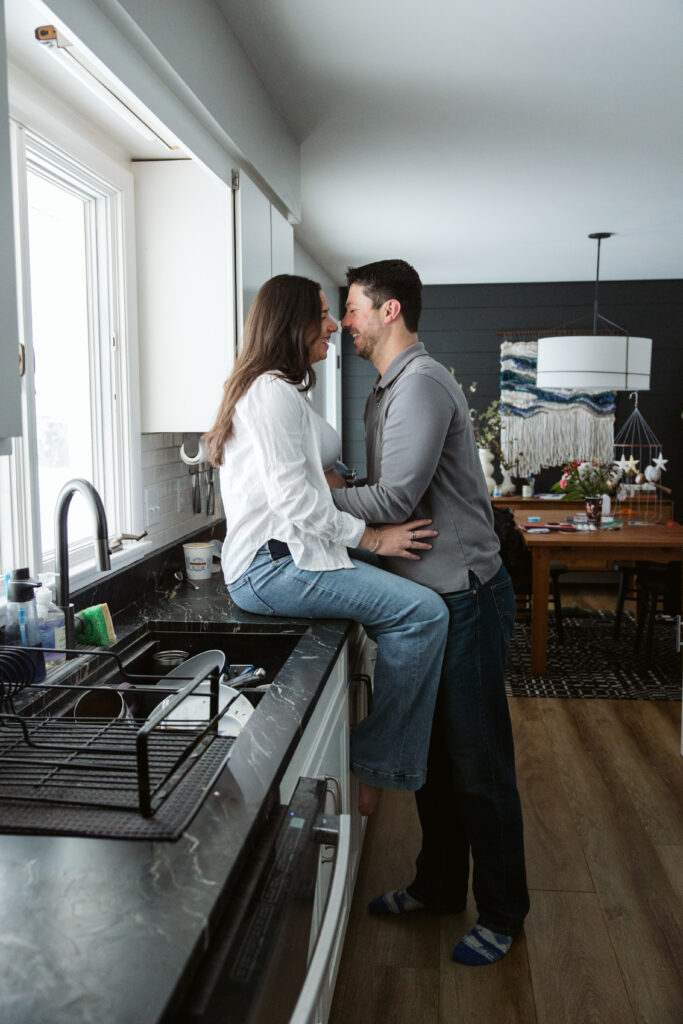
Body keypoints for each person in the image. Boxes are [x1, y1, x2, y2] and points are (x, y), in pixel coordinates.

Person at [330, 259, 530, 965]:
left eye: (351, 308)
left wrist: (303, 495)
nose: (342, 322)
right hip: (432, 598)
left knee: (478, 764)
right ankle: (438, 888)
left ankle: (504, 914)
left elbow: (391, 503)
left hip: (466, 597)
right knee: (437, 761)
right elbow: (387, 492)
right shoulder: (387, 389)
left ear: (388, 312)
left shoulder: (419, 384)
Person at [204, 274, 449, 815]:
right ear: (291, 323)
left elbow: (302, 482)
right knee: (424, 614)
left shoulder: (275, 389)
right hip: (271, 568)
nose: (334, 324)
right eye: (320, 314)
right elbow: (294, 502)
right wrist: (372, 535)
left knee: (413, 590)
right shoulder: (271, 393)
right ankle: (377, 764)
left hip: (287, 554)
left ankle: (399, 744)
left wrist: (345, 491)